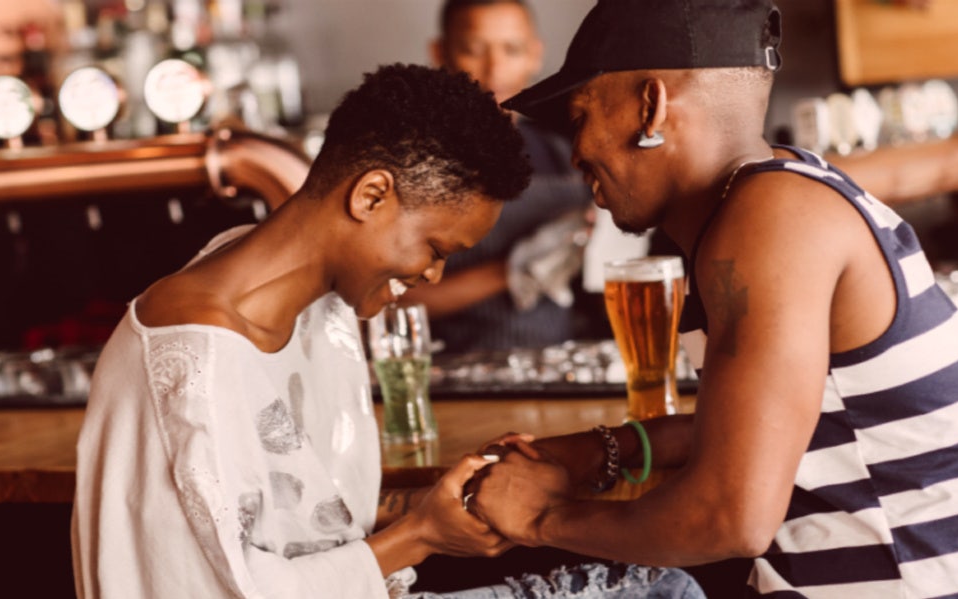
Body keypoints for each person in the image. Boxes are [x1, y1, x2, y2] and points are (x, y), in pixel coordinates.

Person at [468, 1, 958, 597]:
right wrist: (601, 449)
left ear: (651, 106)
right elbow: (777, 422)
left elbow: (730, 517)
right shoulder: (778, 194)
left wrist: (540, 518)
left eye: (581, 115)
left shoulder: (769, 223)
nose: (577, 150)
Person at [70, 62, 702, 599]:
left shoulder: (306, 295)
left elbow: (305, 519)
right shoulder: (192, 363)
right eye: (434, 246)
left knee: (662, 583)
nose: (433, 273)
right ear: (372, 195)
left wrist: (448, 505)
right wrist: (419, 537)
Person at [400, 0, 597, 353]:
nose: (495, 69)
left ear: (535, 55)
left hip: (557, 367)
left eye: (512, 49)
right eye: (474, 50)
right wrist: (511, 272)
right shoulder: (412, 165)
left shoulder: (567, 154)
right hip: (455, 374)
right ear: (439, 53)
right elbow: (386, 305)